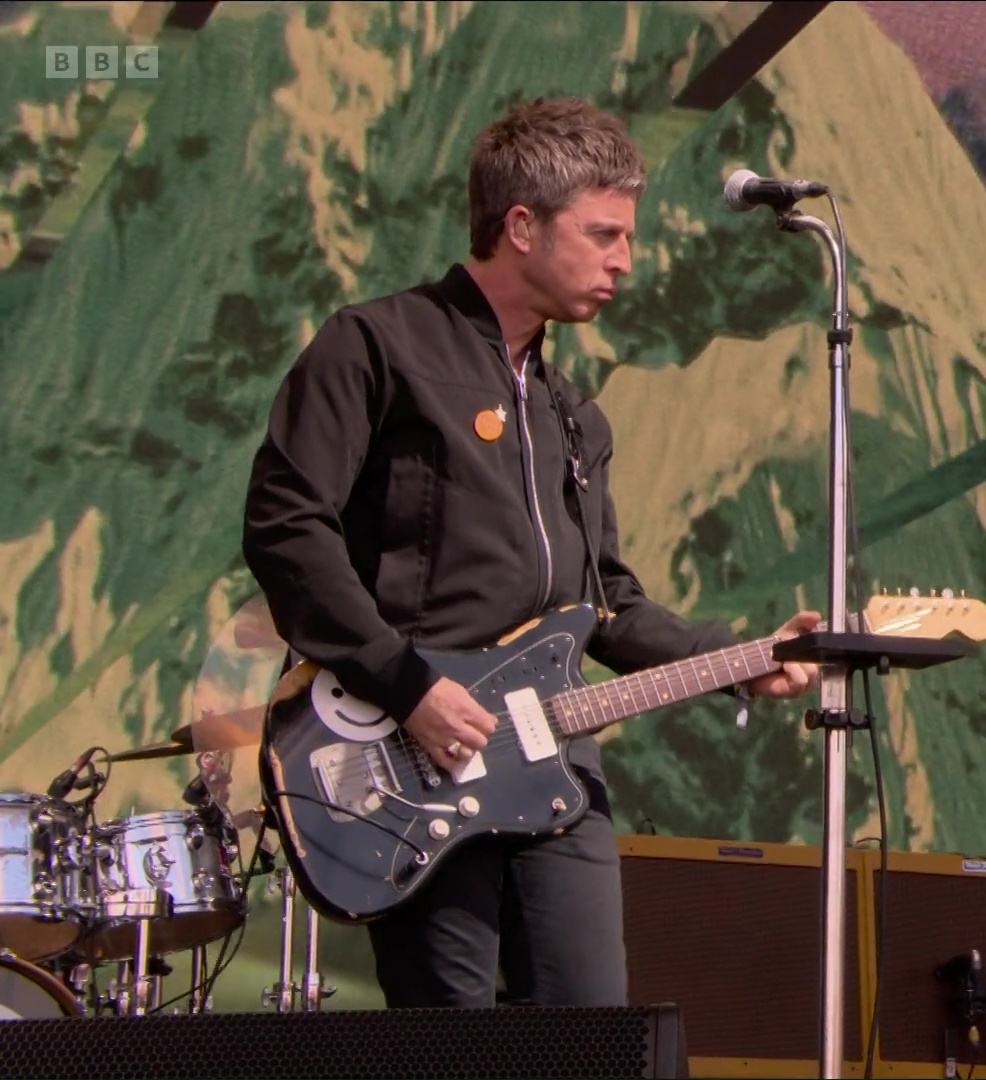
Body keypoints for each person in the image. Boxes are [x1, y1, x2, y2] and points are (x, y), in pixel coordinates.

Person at [241, 97, 819, 1009]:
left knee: (594, 1022)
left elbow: (609, 606)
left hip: (557, 762)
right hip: (411, 752)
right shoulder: (376, 344)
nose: (624, 260)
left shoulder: (572, 415)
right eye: (603, 234)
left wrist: (740, 659)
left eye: (627, 236)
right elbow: (286, 525)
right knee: (454, 1027)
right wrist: (410, 686)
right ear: (520, 226)